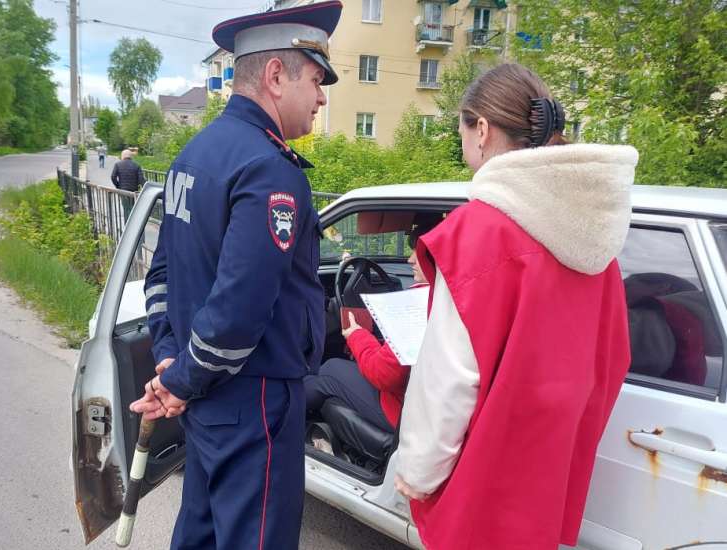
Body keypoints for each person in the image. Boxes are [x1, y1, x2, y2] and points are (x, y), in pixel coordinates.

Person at [393, 63, 638, 550]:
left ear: (481, 130)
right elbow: (610, 364)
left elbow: (449, 380)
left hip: (480, 486)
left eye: (461, 128)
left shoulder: (478, 233)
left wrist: (416, 472)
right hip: (543, 486)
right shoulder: (596, 244)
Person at [129, 2, 343, 549]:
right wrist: (179, 380)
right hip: (257, 403)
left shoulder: (193, 155)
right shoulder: (271, 169)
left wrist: (172, 360)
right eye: (316, 80)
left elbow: (162, 276)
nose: (322, 97)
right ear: (276, 76)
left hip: (206, 399)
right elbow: (240, 311)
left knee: (199, 533)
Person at [304, 226, 430, 435]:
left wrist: (356, 335)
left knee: (330, 369)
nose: (410, 260)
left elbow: (384, 374)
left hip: (402, 412)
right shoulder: (448, 296)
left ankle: (278, 415)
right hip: (421, 406)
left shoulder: (419, 303)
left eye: (419, 251)